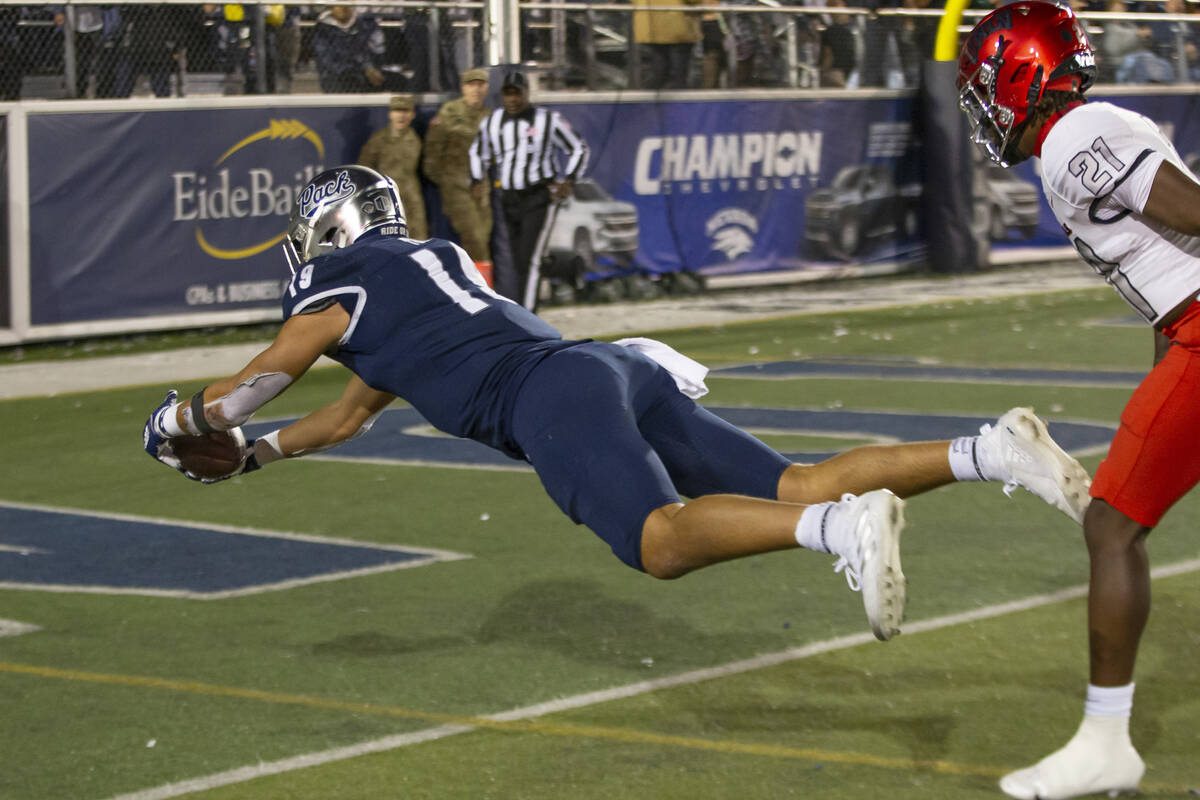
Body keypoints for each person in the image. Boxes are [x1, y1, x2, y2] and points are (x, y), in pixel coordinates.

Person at [142, 164, 1092, 646]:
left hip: (547, 393)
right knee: (793, 475)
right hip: (603, 366)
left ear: (328, 232)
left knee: (662, 543)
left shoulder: (338, 282)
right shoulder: (415, 275)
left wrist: (192, 419)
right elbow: (342, 416)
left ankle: (838, 532)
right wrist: (260, 453)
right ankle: (991, 452)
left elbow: (269, 372)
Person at [957, 3, 1200, 797]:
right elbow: (1172, 266)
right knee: (1117, 519)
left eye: (988, 86)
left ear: (1023, 74)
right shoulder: (1083, 134)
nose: (984, 108)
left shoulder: (1073, 138)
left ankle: (1105, 741)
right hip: (1189, 328)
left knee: (1112, 524)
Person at [468, 71, 589, 309]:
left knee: (530, 260)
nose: (512, 99)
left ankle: (528, 315)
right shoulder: (492, 122)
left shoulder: (548, 119)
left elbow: (578, 148)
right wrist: (476, 179)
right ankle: (568, 267)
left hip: (539, 195)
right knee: (520, 261)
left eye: (517, 93)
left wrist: (569, 180)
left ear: (526, 93)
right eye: (507, 94)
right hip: (509, 197)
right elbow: (477, 152)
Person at [423, 68, 493, 282]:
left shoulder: (489, 116)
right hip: (456, 185)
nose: (476, 89)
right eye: (471, 84)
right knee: (474, 238)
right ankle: (483, 291)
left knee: (483, 235)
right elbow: (433, 152)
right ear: (463, 88)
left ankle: (475, 287)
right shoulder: (449, 112)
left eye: (480, 84)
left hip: (482, 186)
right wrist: (447, 181)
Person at [357, 94, 428, 240]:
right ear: (390, 114)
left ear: (412, 114)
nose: (401, 116)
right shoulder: (378, 140)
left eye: (405, 111)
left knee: (418, 241)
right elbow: (364, 170)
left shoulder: (416, 140)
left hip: (412, 199)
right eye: (397, 111)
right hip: (385, 200)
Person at [311, 4, 384, 94]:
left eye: (346, 4)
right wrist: (356, 70)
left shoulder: (363, 24)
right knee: (348, 79)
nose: (343, 8)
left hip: (362, 72)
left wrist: (369, 68)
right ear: (331, 8)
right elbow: (326, 60)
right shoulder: (323, 29)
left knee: (397, 80)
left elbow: (366, 52)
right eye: (338, 5)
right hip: (336, 75)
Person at [632, 0, 702, 90]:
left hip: (652, 26)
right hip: (678, 24)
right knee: (679, 76)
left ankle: (653, 101)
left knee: (659, 71)